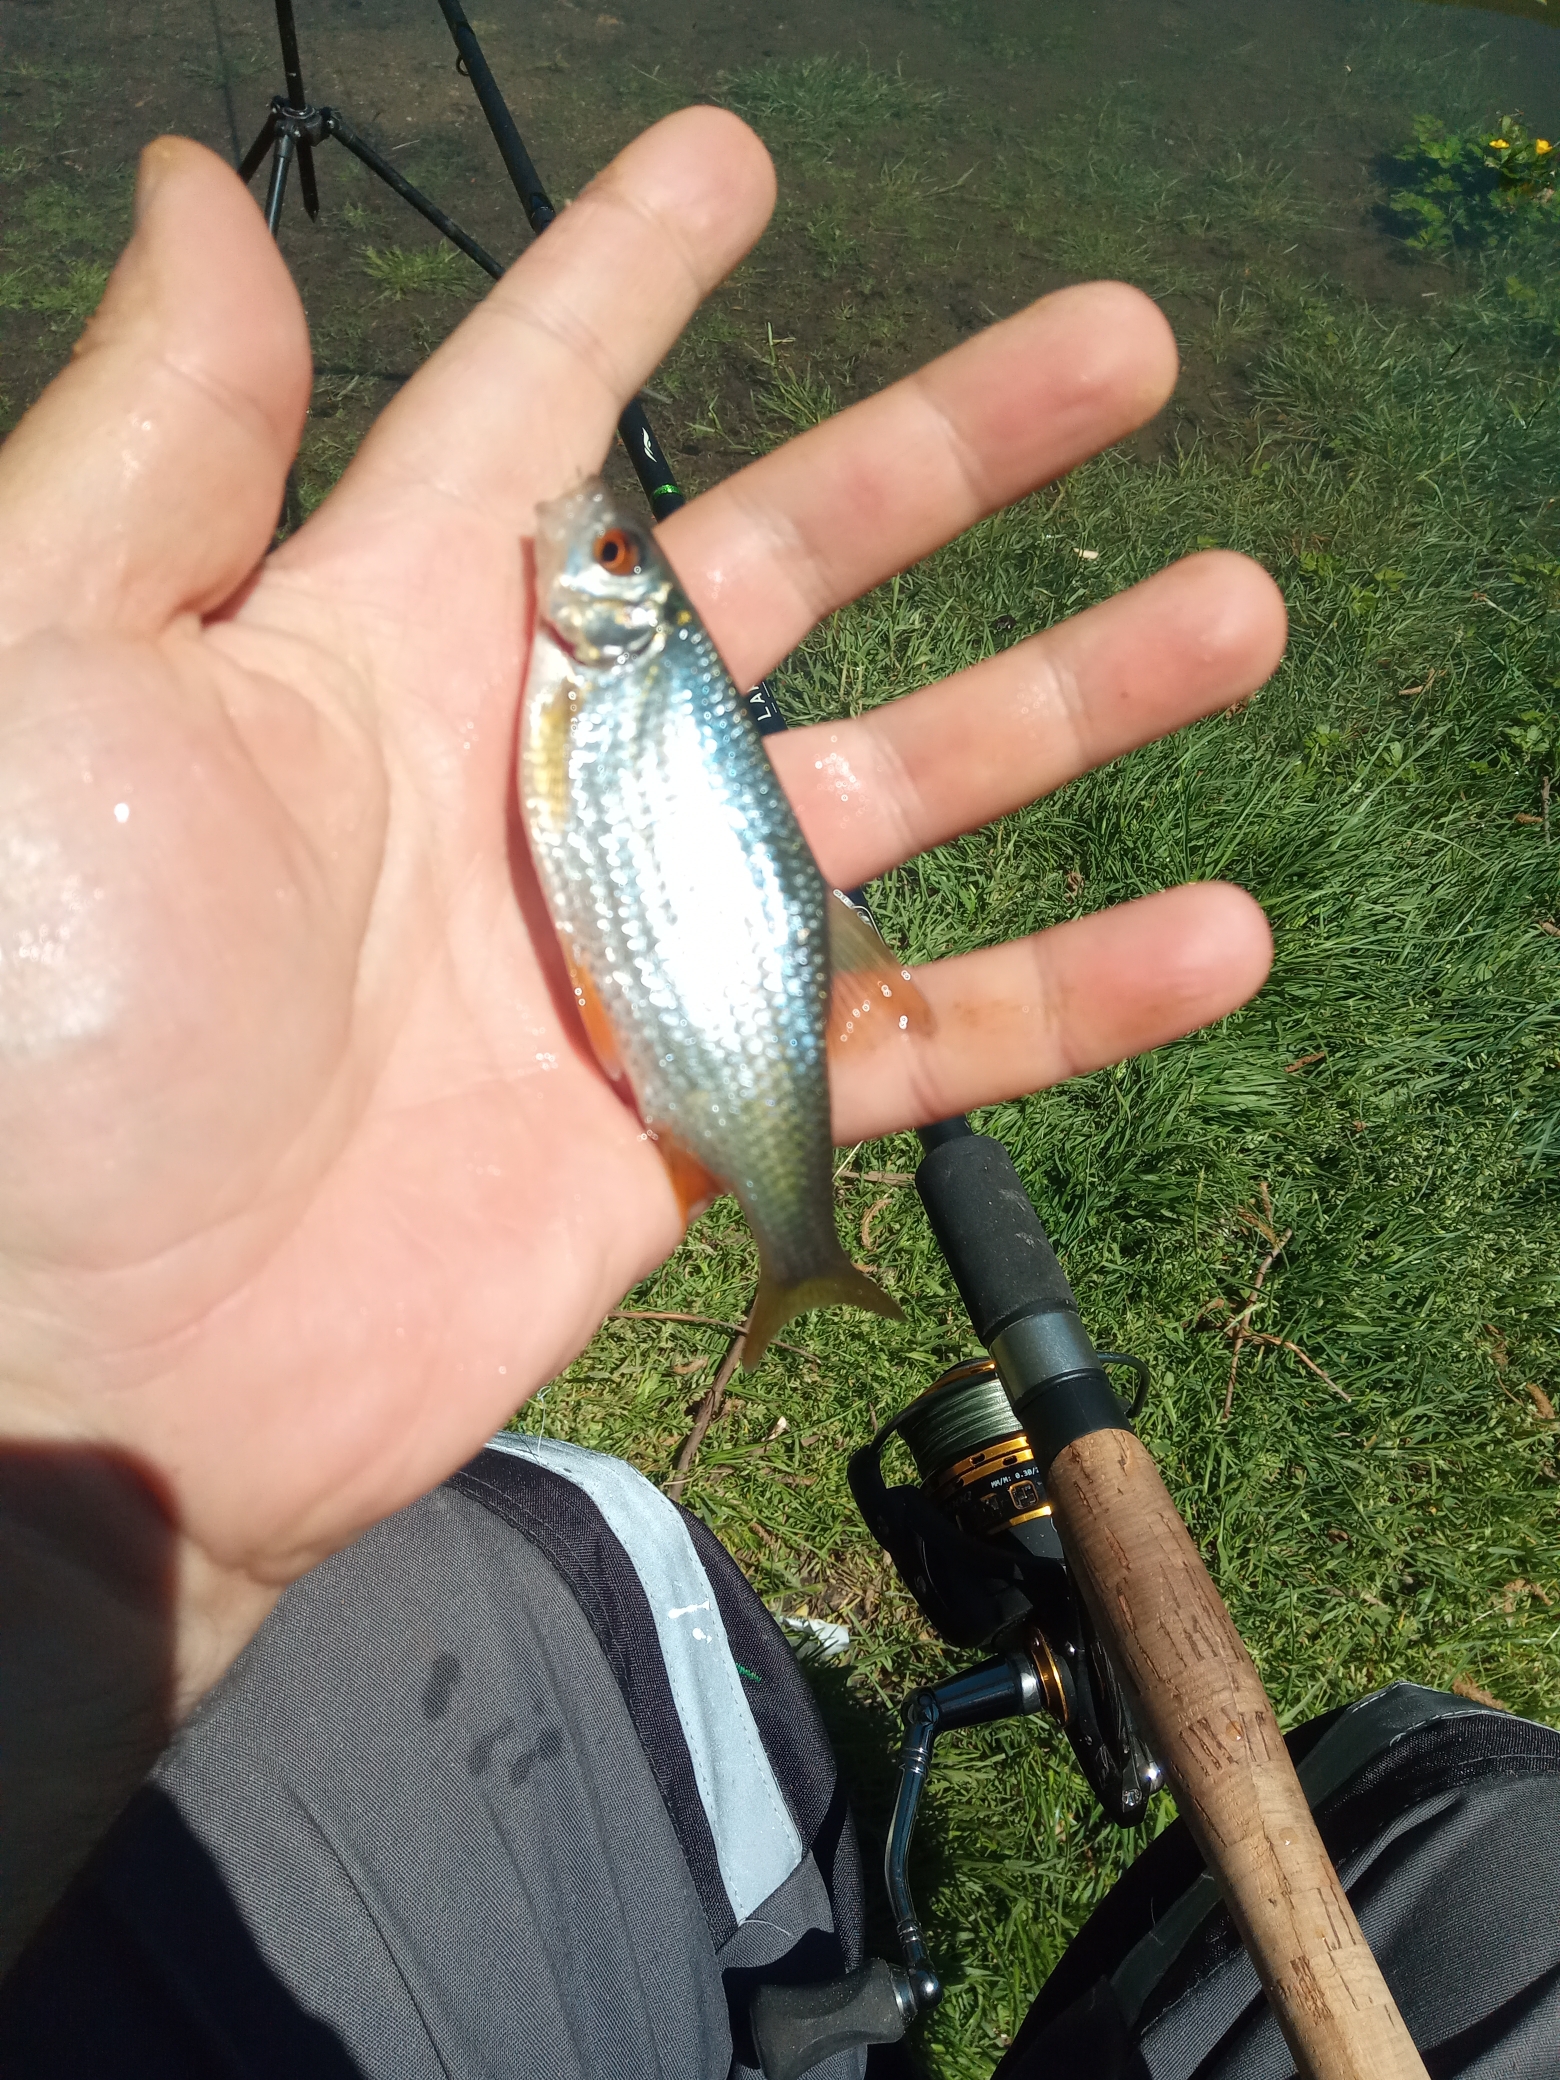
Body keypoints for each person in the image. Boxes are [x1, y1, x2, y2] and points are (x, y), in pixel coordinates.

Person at [1, 110, 1554, 2080]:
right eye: (617, 555)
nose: (590, 559)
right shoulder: (594, 659)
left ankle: (786, 1256)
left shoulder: (605, 665)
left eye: (612, 555)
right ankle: (787, 1263)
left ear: (622, 604)